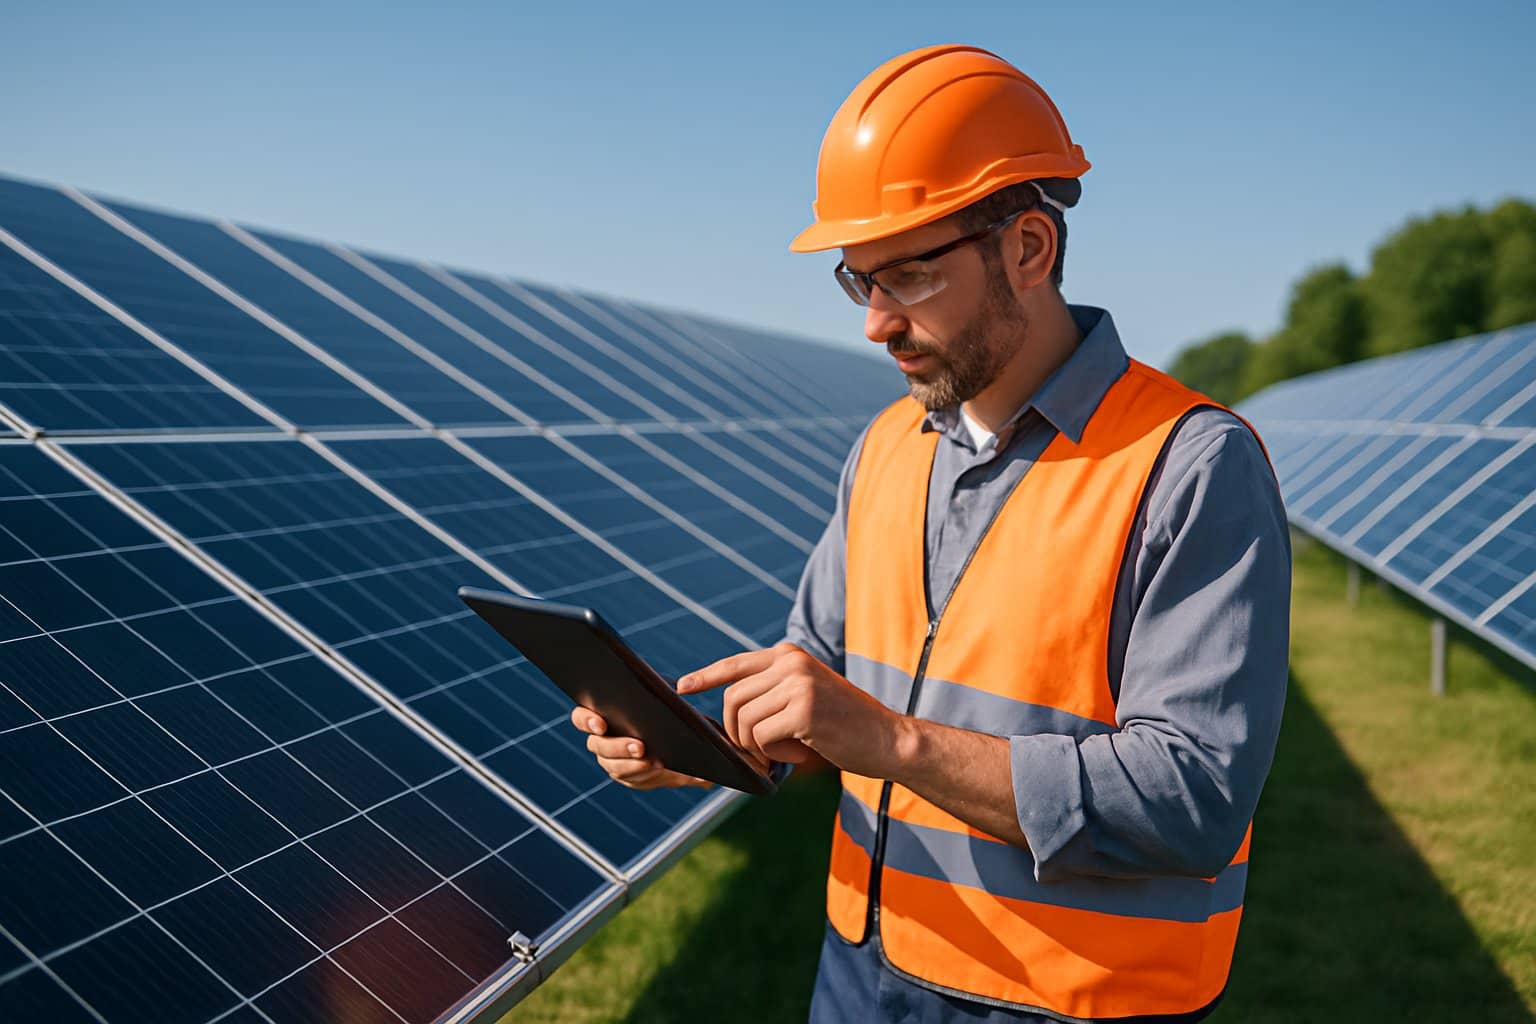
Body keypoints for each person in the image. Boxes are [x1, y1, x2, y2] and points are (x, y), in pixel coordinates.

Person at [570, 44, 1290, 1023]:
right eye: (856, 281)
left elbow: (1194, 798)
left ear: (1028, 250)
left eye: (905, 277)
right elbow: (820, 682)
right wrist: (700, 744)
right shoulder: (885, 450)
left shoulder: (1192, 466)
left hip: (1063, 1000)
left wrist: (893, 740)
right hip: (863, 973)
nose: (874, 324)